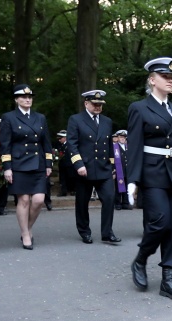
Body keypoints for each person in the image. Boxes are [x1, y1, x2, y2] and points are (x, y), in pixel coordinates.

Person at [127, 57, 172, 302]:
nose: (170, 81)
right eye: (165, 77)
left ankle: (168, 279)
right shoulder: (139, 108)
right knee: (160, 222)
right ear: (152, 79)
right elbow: (135, 146)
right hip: (152, 173)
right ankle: (141, 258)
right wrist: (132, 180)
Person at [0, 84, 53, 250]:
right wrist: (7, 167)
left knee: (38, 200)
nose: (27, 100)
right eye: (23, 97)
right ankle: (25, 233)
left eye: (30, 97)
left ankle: (28, 227)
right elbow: (5, 144)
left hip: (38, 163)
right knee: (23, 200)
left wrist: (49, 163)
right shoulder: (9, 117)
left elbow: (46, 142)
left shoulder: (40, 117)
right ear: (16, 100)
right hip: (19, 164)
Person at [66, 89, 121, 245]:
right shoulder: (76, 120)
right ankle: (84, 231)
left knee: (109, 198)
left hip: (103, 168)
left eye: (100, 104)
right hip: (85, 168)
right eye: (95, 104)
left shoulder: (107, 121)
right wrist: (78, 164)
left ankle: (107, 232)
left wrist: (112, 166)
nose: (98, 107)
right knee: (82, 202)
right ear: (86, 103)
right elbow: (72, 144)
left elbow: (110, 145)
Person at [113, 129, 131, 210]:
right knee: (118, 187)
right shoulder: (114, 147)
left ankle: (125, 203)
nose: (122, 139)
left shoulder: (128, 147)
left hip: (127, 170)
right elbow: (112, 159)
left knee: (127, 187)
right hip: (118, 170)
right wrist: (113, 170)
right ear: (118, 138)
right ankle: (117, 203)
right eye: (121, 137)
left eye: (124, 137)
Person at [55, 130, 75, 196]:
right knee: (62, 178)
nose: (59, 140)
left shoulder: (69, 144)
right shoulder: (61, 145)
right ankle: (64, 191)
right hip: (63, 164)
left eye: (60, 138)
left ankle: (72, 190)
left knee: (71, 178)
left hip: (69, 164)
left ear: (65, 138)